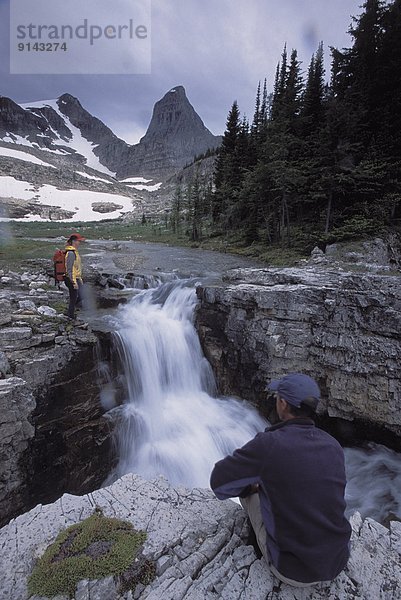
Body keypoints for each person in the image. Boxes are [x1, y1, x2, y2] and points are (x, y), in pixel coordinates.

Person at [210, 373, 352, 587]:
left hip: (292, 571)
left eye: (277, 397)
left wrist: (255, 486)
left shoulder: (269, 444)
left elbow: (219, 483)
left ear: (283, 404)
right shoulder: (333, 446)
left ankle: (260, 547)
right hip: (337, 561)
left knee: (251, 493)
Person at [64, 233, 85, 320]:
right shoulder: (71, 253)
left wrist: (79, 280)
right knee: (74, 297)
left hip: (76, 278)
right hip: (71, 279)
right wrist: (74, 282)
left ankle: (70, 311)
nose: (79, 243)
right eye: (78, 241)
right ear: (73, 241)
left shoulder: (75, 252)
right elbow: (70, 269)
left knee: (81, 296)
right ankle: (70, 317)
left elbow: (76, 268)